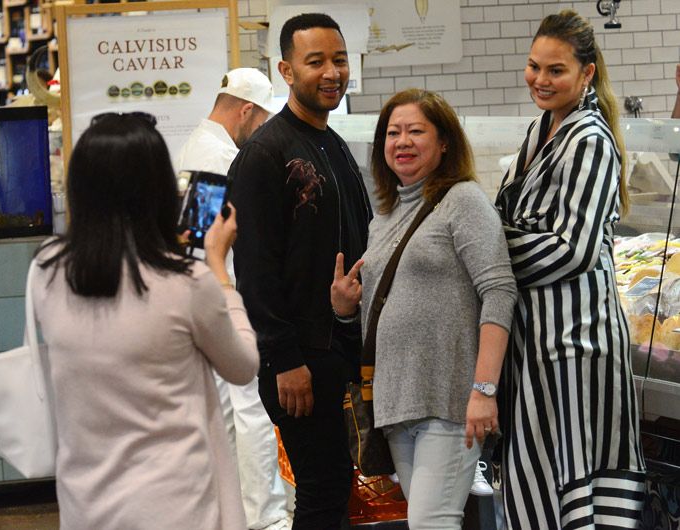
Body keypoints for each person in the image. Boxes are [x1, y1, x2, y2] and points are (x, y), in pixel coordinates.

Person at [31, 112, 259, 530]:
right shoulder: (187, 283)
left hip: (85, 503)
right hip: (177, 504)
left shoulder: (46, 271)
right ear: (158, 191)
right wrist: (218, 269)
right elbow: (243, 366)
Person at [330, 88, 517, 529]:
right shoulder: (385, 217)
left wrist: (484, 390)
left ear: (445, 141)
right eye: (393, 132)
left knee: (431, 523)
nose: (402, 141)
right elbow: (390, 311)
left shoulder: (463, 200)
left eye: (416, 131)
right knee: (427, 522)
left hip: (449, 401)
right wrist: (344, 309)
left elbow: (499, 291)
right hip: (396, 404)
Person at [494, 10, 645, 528]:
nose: (540, 79)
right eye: (534, 66)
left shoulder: (589, 140)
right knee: (541, 483)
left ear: (587, 74)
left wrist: (490, 256)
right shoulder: (544, 128)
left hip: (577, 349)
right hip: (538, 347)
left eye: (555, 70)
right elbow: (510, 214)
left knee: (577, 493)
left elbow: (571, 250)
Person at [228, 13, 372, 530]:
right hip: (299, 360)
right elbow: (255, 267)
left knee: (332, 486)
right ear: (286, 71)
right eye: (316, 62)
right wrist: (284, 358)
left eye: (339, 60)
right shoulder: (266, 153)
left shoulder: (330, 143)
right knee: (321, 488)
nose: (332, 72)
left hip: (333, 346)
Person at [176, 67, 293, 530]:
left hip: (208, 299)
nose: (262, 132)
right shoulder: (216, 157)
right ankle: (264, 517)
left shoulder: (199, 147)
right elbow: (203, 238)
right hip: (226, 300)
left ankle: (236, 512)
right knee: (254, 409)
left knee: (227, 411)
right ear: (247, 110)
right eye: (262, 121)